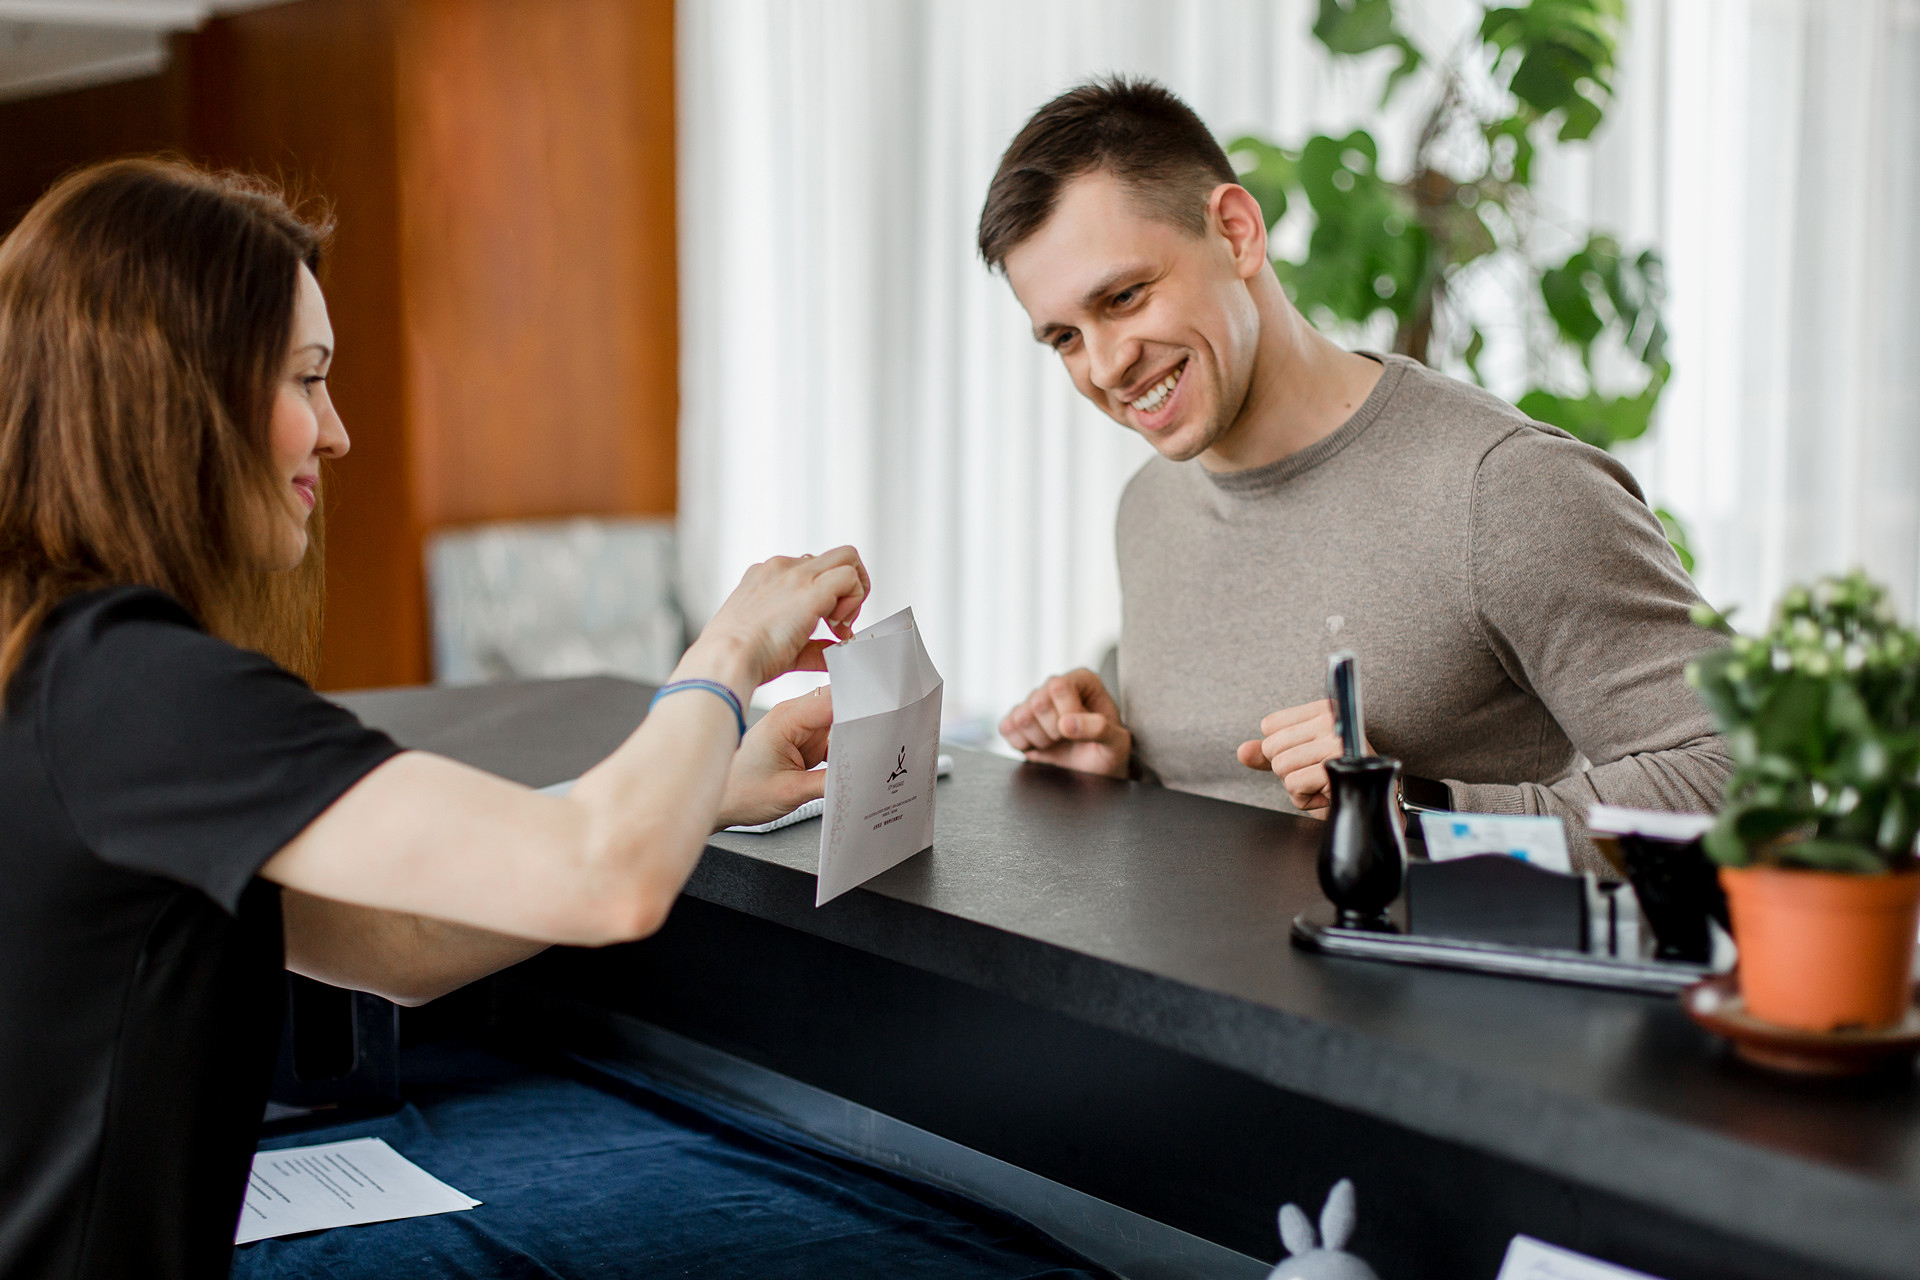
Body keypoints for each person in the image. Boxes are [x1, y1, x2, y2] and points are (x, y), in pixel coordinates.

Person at [0, 159, 868, 1280]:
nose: (338, 430)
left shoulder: (62, 671)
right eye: (306, 380)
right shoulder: (131, 684)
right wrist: (731, 651)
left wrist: (713, 788)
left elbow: (397, 940)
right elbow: (602, 874)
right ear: (175, 396)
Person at [984, 78, 1728, 870]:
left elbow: (1744, 779)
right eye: (1064, 337)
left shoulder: (1503, 488)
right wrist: (1115, 773)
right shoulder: (1149, 506)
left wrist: (1414, 816)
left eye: (1126, 296)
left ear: (1236, 233)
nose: (1105, 367)